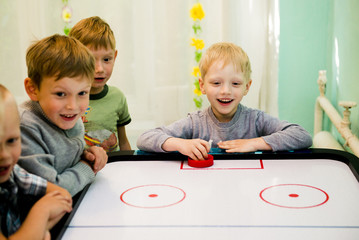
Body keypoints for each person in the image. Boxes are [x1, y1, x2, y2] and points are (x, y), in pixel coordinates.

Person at [137, 42, 312, 160]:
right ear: (202, 85)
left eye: (235, 83)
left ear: (247, 87)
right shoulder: (195, 122)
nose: (225, 90)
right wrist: (180, 144)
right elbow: (145, 138)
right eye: (216, 83)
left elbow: (302, 135)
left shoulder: (255, 120)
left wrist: (254, 143)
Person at [17, 34, 108, 197]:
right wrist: (87, 166)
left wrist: (90, 154)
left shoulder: (67, 115)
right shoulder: (25, 127)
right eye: (60, 94)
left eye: (82, 93)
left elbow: (68, 157)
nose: (72, 106)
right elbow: (52, 192)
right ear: (33, 89)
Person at [0, 84, 72, 239]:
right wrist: (42, 212)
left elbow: (62, 195)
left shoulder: (13, 171)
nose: (4, 155)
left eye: (12, 140)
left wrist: (37, 231)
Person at [69, 16, 132, 152]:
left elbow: (124, 142)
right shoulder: (68, 101)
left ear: (114, 57)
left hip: (113, 169)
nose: (100, 69)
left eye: (106, 59)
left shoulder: (117, 97)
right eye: (91, 60)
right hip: (80, 170)